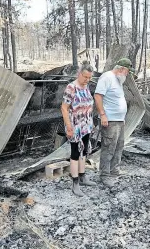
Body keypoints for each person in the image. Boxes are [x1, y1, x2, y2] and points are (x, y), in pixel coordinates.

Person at [93, 58, 134, 187]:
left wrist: (122, 117)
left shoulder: (118, 80)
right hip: (110, 120)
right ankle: (105, 175)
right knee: (109, 147)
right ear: (121, 69)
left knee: (119, 146)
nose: (128, 74)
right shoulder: (107, 77)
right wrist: (103, 115)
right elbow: (98, 96)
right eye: (127, 71)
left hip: (119, 120)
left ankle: (114, 171)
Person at [61, 61, 97, 197]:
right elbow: (64, 108)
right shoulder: (71, 88)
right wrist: (69, 126)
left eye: (89, 78)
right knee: (75, 153)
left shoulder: (86, 87)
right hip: (75, 126)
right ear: (79, 74)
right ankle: (75, 183)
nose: (87, 80)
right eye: (85, 77)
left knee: (84, 152)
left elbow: (88, 105)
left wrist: (91, 122)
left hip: (86, 125)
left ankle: (83, 177)